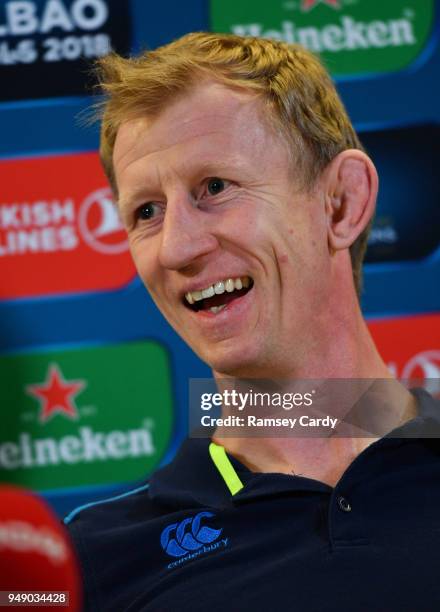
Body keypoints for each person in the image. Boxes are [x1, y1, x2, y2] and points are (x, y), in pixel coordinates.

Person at [64, 33, 440, 611]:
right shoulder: (84, 563)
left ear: (341, 202)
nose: (175, 248)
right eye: (146, 212)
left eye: (215, 188)